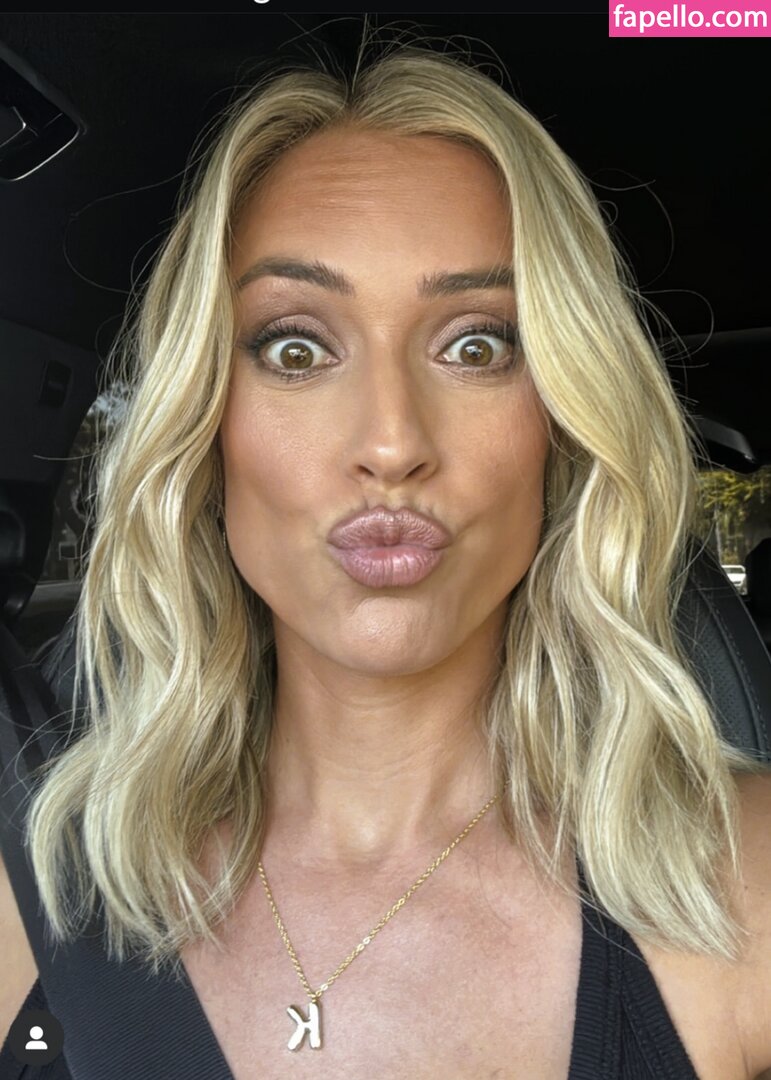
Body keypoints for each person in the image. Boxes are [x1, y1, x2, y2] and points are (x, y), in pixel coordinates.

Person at [2, 30, 771, 1080]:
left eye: (476, 345)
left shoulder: (745, 885)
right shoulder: (38, 873)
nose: (393, 442)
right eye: (295, 347)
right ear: (205, 425)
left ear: (560, 424)